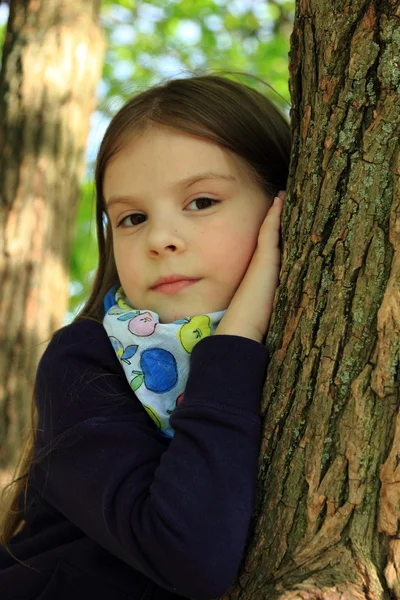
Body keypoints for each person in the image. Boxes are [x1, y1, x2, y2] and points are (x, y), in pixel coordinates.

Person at [0, 72, 290, 599]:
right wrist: (238, 336)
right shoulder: (87, 360)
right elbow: (192, 555)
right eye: (132, 218)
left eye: (201, 202)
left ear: (282, 207)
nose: (159, 239)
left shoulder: (300, 349)